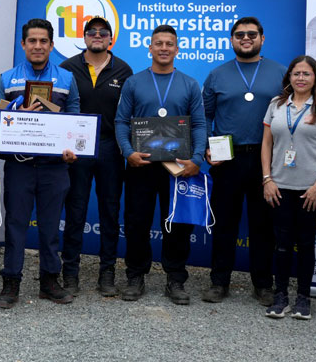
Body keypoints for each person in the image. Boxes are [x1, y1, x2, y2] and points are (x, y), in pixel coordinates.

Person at [0, 18, 80, 309]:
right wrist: (16, 110)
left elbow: (76, 120)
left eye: (43, 41)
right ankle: (11, 282)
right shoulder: (8, 78)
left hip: (54, 167)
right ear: (23, 44)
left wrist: (72, 148)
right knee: (15, 226)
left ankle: (50, 281)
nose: (38, 46)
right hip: (20, 166)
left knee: (50, 227)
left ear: (51, 45)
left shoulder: (65, 79)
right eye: (32, 41)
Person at [114, 24, 207, 305]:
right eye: (159, 43)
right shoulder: (134, 82)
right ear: (150, 48)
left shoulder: (190, 84)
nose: (164, 48)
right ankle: (136, 275)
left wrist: (197, 159)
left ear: (177, 49)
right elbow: (121, 121)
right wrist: (128, 152)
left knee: (177, 224)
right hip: (141, 165)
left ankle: (175, 278)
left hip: (178, 168)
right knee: (136, 223)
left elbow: (200, 124)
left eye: (169, 44)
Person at [201, 16, 285, 306]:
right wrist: (205, 149)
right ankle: (218, 281)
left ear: (262, 38)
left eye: (251, 34)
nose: (245, 39)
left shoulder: (280, 73)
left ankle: (263, 284)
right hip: (227, 157)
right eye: (239, 35)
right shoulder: (217, 75)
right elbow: (205, 116)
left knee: (263, 224)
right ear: (232, 40)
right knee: (225, 223)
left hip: (267, 158)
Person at [261, 55, 316, 320]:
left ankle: (303, 297)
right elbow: (267, 145)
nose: (301, 78)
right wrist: (267, 179)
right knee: (282, 243)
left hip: (312, 189)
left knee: (306, 244)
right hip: (279, 187)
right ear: (289, 78)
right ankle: (280, 295)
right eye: (296, 74)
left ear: (315, 78)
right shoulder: (276, 105)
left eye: (306, 74)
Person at [59, 16, 133, 297]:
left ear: (111, 38)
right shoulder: (67, 68)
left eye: (104, 32)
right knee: (75, 210)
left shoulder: (124, 70)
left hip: (110, 146)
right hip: (76, 149)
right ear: (85, 36)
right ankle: (71, 273)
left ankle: (107, 274)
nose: (98, 35)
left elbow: (129, 114)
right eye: (93, 32)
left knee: (110, 212)